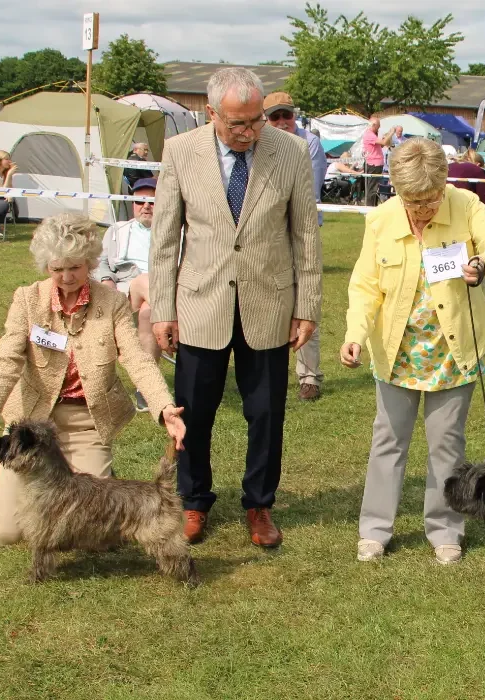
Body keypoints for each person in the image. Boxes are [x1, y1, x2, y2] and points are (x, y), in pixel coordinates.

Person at [149, 67, 322, 549]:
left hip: (268, 303)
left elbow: (306, 235)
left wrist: (307, 305)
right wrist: (162, 308)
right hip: (200, 303)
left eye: (256, 120)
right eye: (237, 124)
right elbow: (164, 239)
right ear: (210, 113)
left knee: (265, 413)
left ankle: (259, 504)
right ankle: (193, 500)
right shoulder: (179, 151)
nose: (249, 132)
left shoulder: (291, 151)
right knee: (194, 412)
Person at [340, 138, 485, 565]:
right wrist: (355, 335)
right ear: (397, 190)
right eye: (413, 201)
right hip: (396, 352)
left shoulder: (466, 204)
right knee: (388, 442)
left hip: (452, 351)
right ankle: (374, 531)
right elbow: (365, 286)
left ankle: (445, 531)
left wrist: (483, 264)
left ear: (444, 183)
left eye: (431, 198)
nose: (423, 208)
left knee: (447, 447)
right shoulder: (380, 220)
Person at [0, 212, 186, 545]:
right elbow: (5, 361)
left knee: (88, 531)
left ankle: (97, 467)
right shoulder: (27, 300)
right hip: (32, 426)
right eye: (57, 268)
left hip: (87, 421)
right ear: (46, 266)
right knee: (8, 533)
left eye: (75, 267)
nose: (67, 277)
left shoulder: (112, 302)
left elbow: (137, 359)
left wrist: (165, 408)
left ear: (91, 262)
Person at [265, 91, 330, 401]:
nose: (282, 122)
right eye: (274, 117)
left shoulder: (310, 144)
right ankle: (266, 373)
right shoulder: (257, 143)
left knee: (306, 301)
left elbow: (308, 192)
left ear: (295, 116)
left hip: (300, 231)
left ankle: (309, 376)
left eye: (286, 115)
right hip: (266, 234)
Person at [94, 177, 161, 411]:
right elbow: (101, 262)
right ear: (132, 204)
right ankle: (176, 326)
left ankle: (145, 389)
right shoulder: (117, 230)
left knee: (148, 312)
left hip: (162, 289)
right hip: (125, 289)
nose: (146, 207)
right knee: (144, 281)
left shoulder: (175, 231)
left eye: (152, 202)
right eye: (140, 201)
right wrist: (106, 280)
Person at [361, 115, 398, 206]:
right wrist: (391, 132)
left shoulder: (373, 135)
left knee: (375, 188)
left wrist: (388, 135)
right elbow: (383, 142)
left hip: (376, 164)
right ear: (373, 125)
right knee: (371, 188)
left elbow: (381, 145)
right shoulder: (369, 134)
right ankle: (369, 207)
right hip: (373, 165)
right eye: (378, 126)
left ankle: (373, 206)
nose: (379, 128)